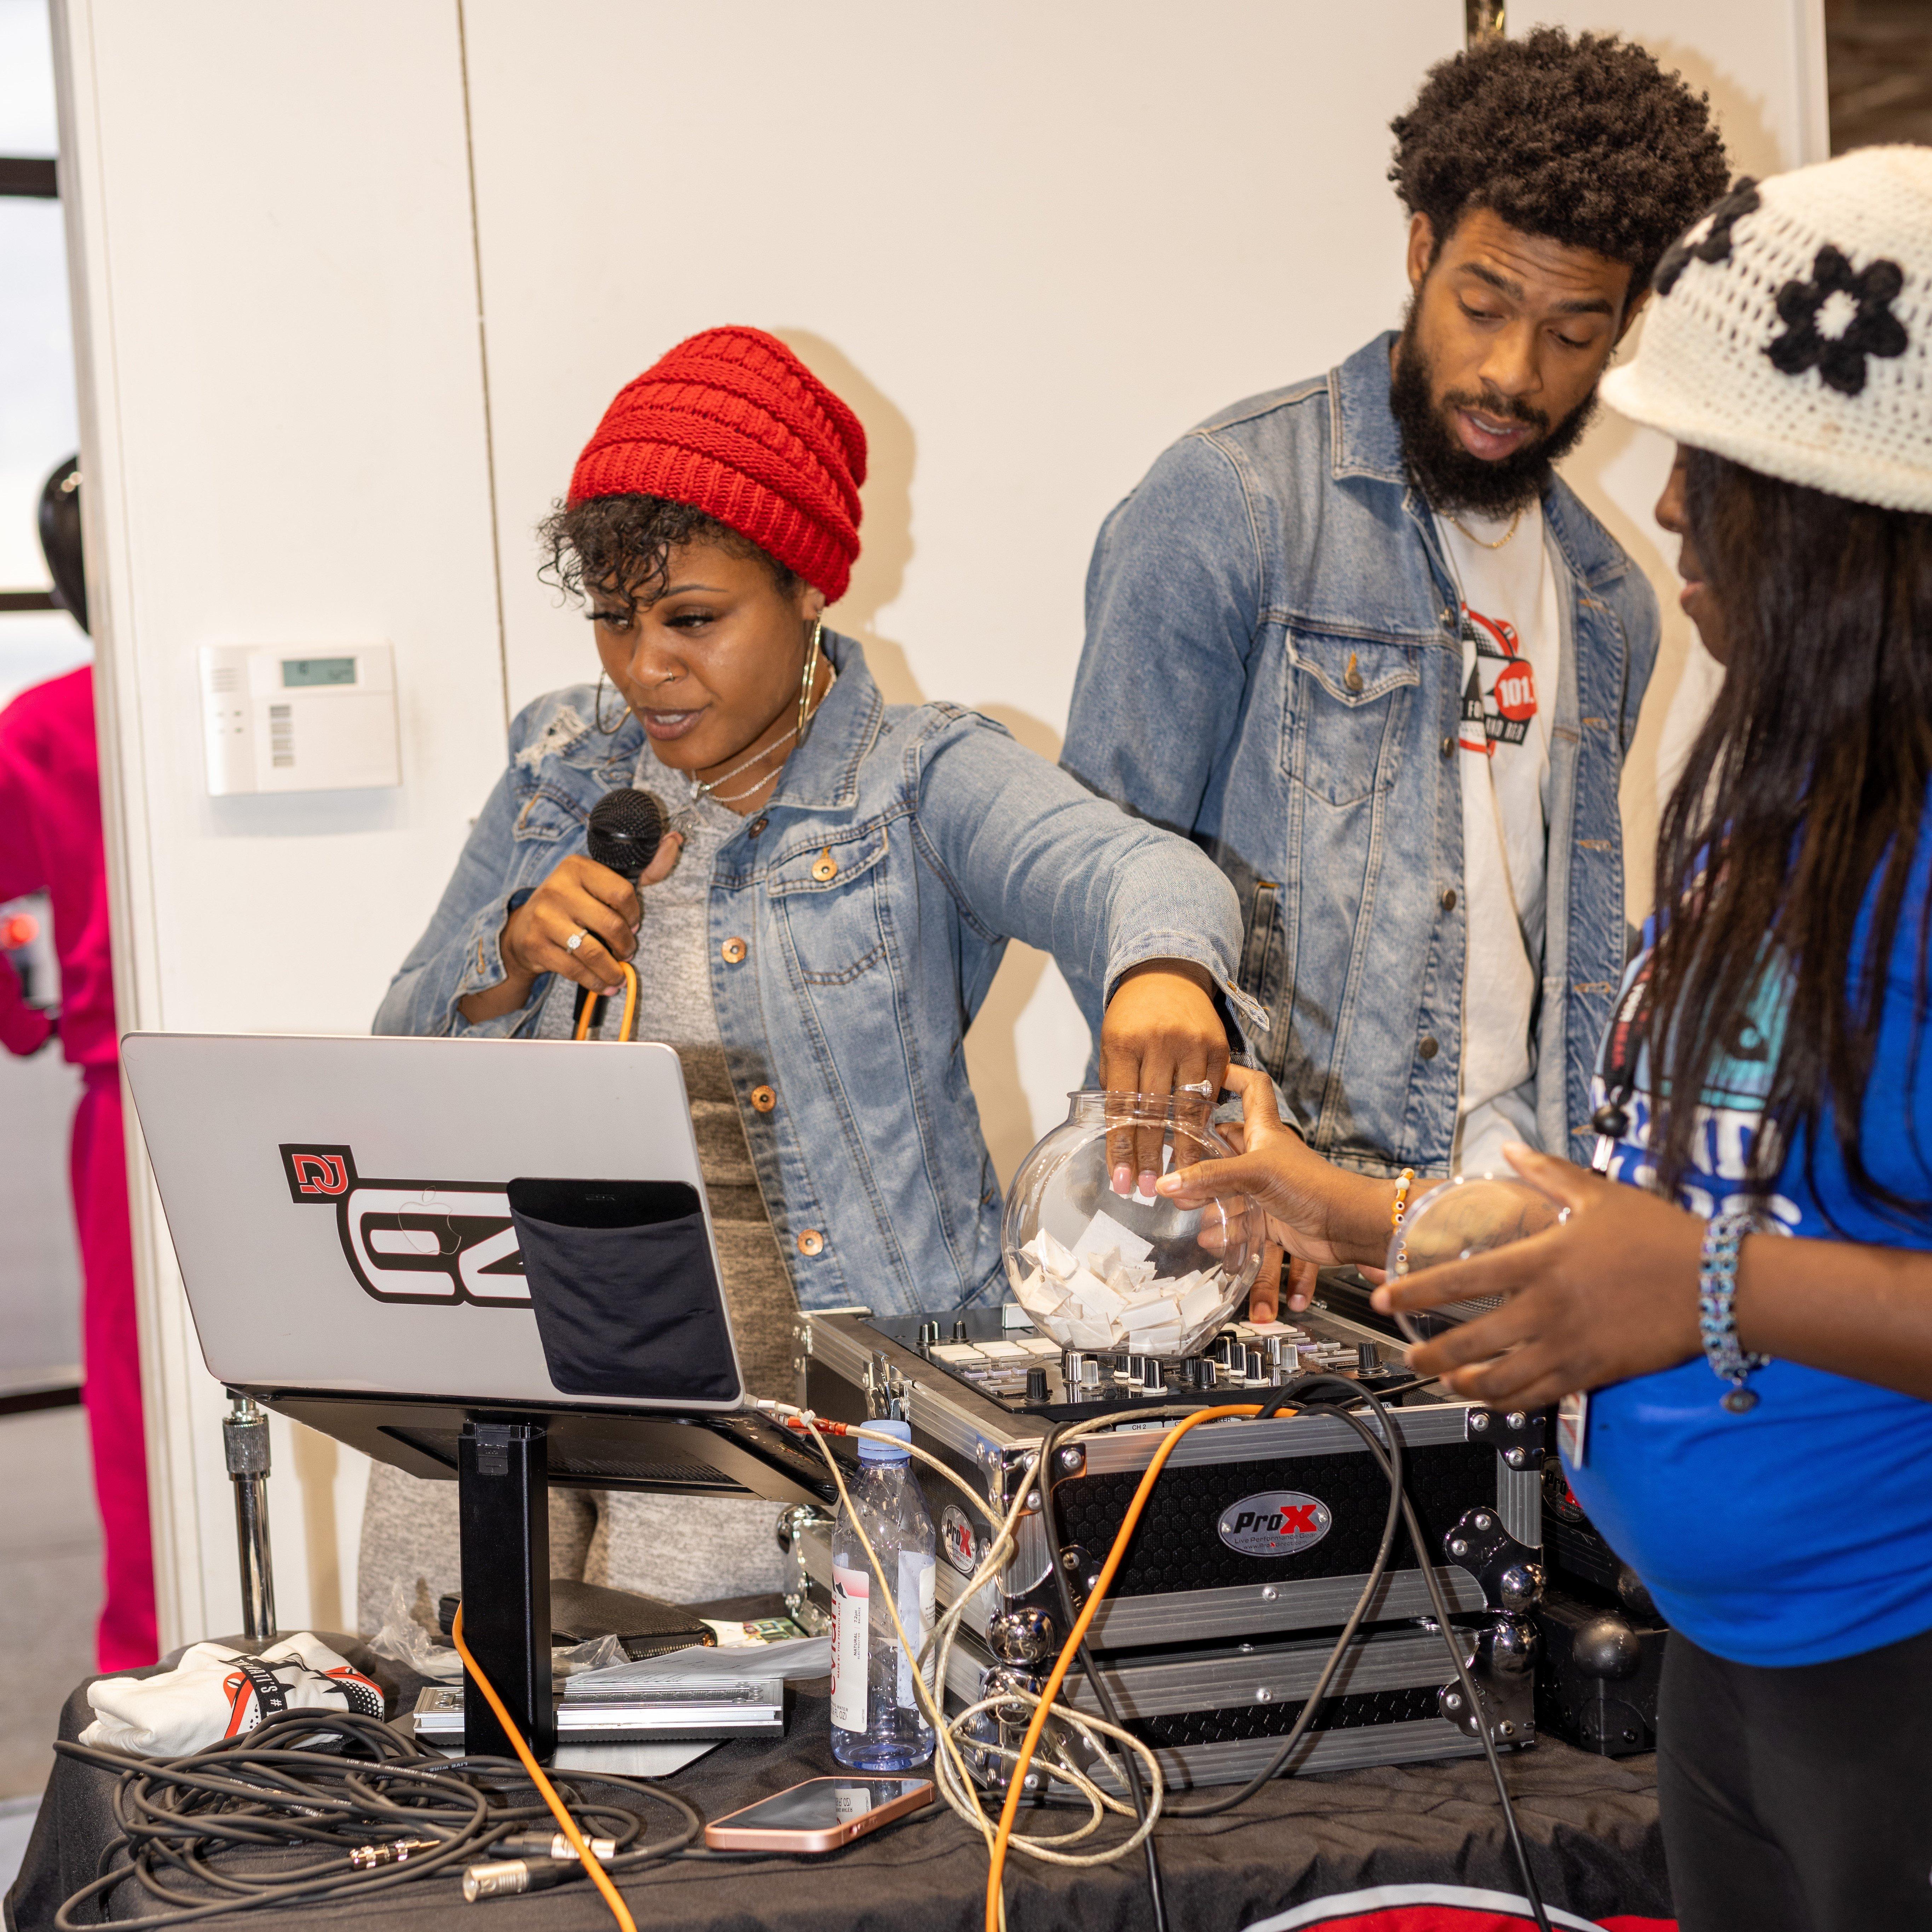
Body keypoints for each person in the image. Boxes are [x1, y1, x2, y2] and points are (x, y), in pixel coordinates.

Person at [1159, 147, 1932, 1932]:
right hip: (1738, 1674)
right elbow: (1684, 1205)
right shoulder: (1779, 794)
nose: (1664, 513)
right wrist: (1347, 1212)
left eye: (1714, 474)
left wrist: (1711, 1291)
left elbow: (1705, 1261)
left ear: (1847, 517)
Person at [361, 325, 1250, 1617]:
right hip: (532, 1315)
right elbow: (395, 1054)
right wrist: (506, 959)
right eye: (614, 620)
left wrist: (1162, 971)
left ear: (809, 592)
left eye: (693, 620)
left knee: (692, 1710)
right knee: (431, 1653)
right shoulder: (562, 762)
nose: (643, 667)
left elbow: (1143, 876)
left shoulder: (922, 778)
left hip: (790, 1373)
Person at [1061, 29, 1729, 1316]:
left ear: (1627, 326)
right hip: (1262, 1251)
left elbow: (1565, 958)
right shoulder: (1235, 503)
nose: (1513, 375)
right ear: (1420, 251)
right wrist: (1197, 1193)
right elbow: (1101, 874)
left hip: (1512, 1251)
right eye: (1483, 306)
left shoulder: (1613, 603)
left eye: (1573, 333)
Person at [0, 459, 156, 1670]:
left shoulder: (37, 729)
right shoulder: (161, 706)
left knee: (130, 1414)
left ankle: (145, 1670)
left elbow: (15, 967)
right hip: (248, 1091)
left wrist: (31, 1017)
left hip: (116, 1108)